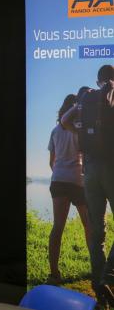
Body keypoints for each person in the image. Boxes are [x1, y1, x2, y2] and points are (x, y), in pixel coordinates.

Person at [62, 65, 114, 307]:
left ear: (98, 79)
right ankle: (108, 277)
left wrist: (79, 104)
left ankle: (98, 285)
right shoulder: (109, 95)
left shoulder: (86, 100)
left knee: (97, 231)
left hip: (89, 169)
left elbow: (65, 121)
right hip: (111, 166)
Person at [46, 94, 90, 285]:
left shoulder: (55, 131)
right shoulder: (79, 131)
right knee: (90, 227)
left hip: (59, 180)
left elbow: (51, 162)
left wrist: (60, 173)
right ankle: (97, 268)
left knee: (58, 227)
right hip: (78, 181)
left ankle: (54, 274)